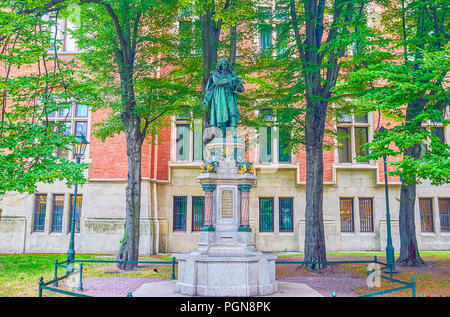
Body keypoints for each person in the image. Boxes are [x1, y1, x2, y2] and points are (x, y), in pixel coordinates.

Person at [203, 57, 244, 138]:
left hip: (230, 95)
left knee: (233, 113)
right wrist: (229, 81)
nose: (225, 65)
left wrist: (238, 84)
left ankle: (234, 134)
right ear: (220, 64)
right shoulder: (216, 73)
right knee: (221, 115)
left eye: (226, 64)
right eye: (224, 64)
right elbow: (217, 82)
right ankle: (221, 134)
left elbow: (238, 87)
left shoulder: (231, 74)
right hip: (220, 96)